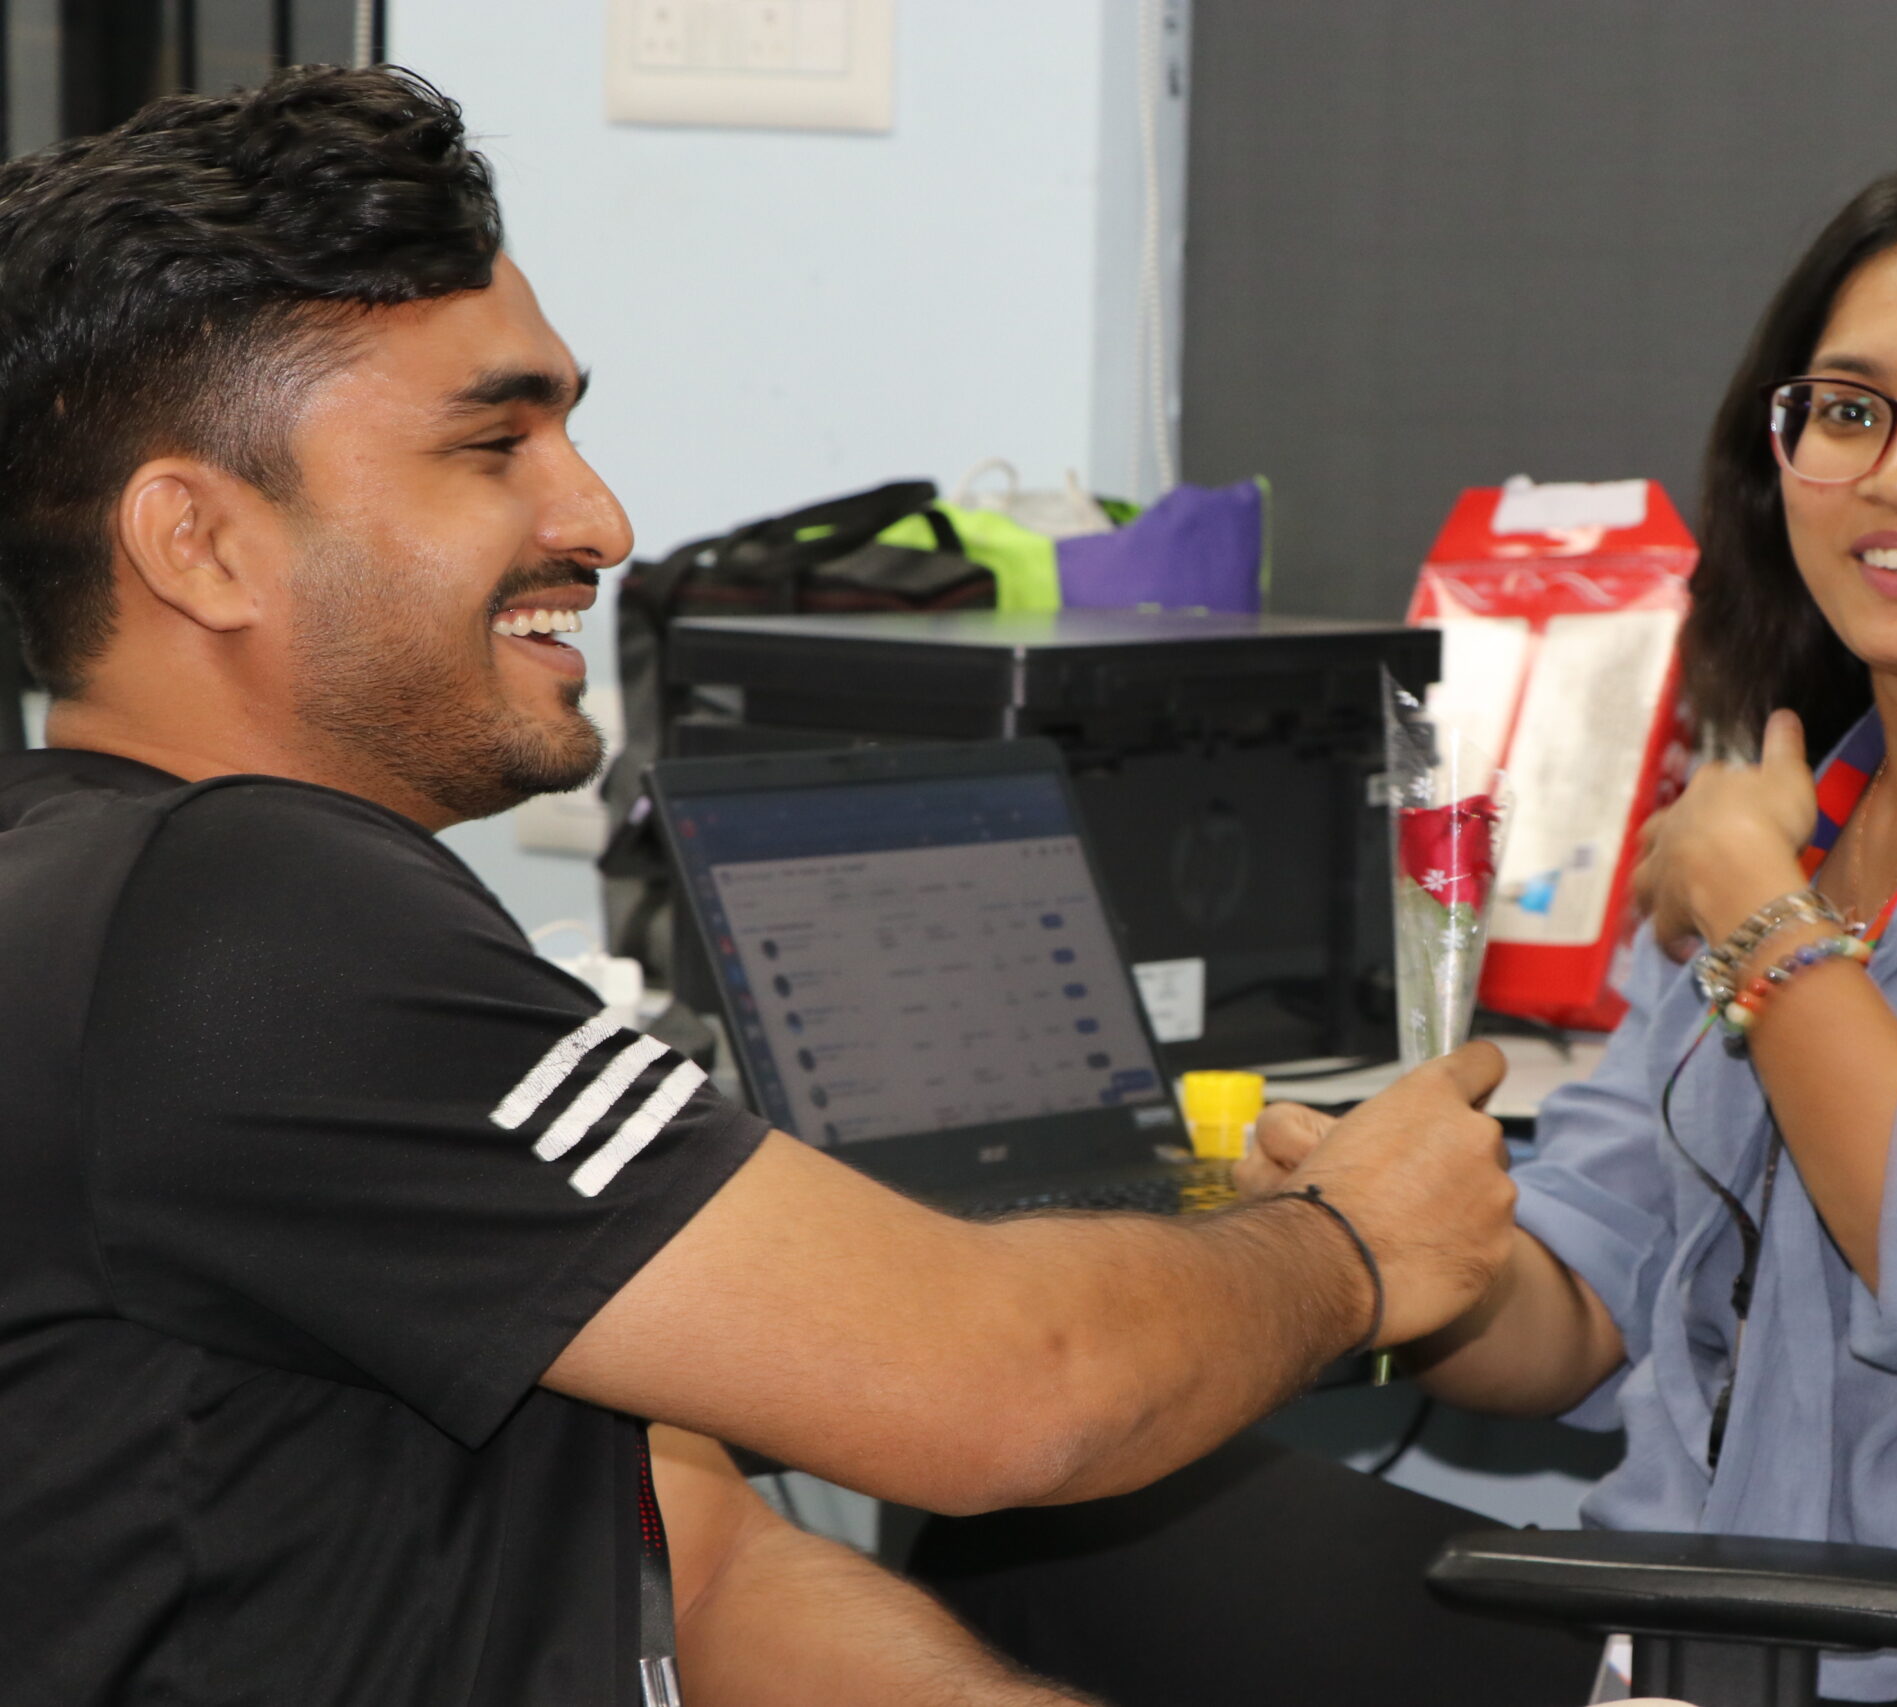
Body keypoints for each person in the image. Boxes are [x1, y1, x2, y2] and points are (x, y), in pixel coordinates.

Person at [0, 65, 1553, 1707]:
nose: (600, 519)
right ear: (200, 544)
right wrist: (1350, 1249)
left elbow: (707, 1558)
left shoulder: (155, 893)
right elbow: (1008, 1389)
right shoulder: (237, 918)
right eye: (492, 443)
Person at [914, 153, 1897, 1707]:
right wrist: (1387, 1251)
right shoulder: (1796, 798)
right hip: (1688, 1628)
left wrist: (1759, 916)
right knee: (1024, 1532)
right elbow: (1583, 1302)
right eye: (1850, 410)